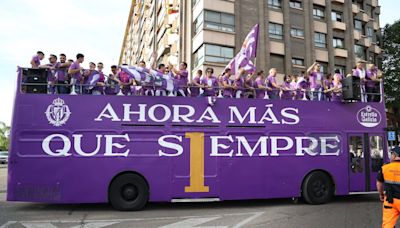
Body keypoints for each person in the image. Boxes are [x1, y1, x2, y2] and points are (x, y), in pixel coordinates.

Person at [377, 146, 400, 228]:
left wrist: (381, 194)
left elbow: (379, 183)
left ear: (394, 155)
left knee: (388, 225)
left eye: (391, 154)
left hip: (390, 201)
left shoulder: (385, 167)